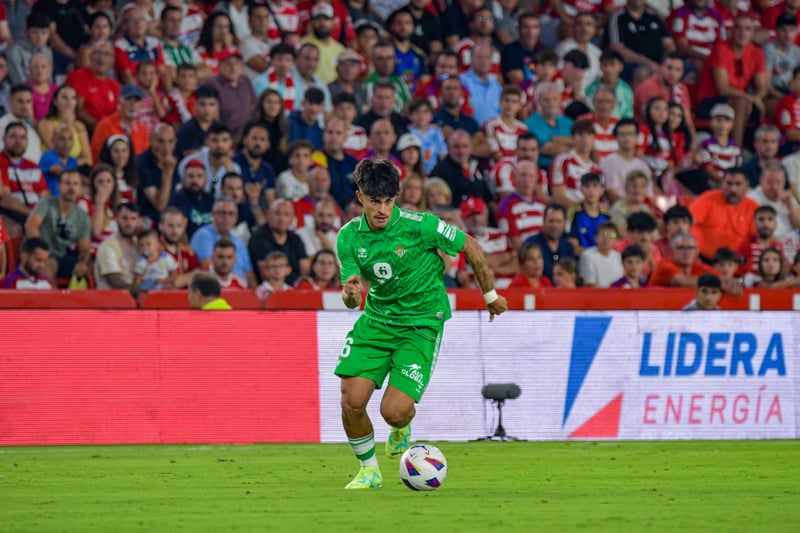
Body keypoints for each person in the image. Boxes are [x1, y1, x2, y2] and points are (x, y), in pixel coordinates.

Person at [335, 158, 508, 489]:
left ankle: (402, 425)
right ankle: (369, 471)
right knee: (351, 402)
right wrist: (350, 294)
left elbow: (470, 247)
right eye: (374, 201)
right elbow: (352, 299)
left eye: (388, 201)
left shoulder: (422, 226)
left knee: (393, 412)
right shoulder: (348, 238)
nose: (382, 209)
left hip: (421, 324)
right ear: (360, 197)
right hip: (377, 322)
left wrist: (490, 296)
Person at [24, 169, 90, 283]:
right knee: (49, 264)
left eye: (75, 184)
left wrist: (82, 262)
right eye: (67, 183)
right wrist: (42, 254)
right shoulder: (46, 203)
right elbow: (31, 226)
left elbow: (84, 248)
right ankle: (53, 294)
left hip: (63, 257)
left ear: (80, 189)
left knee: (91, 266)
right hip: (38, 254)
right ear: (59, 186)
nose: (71, 188)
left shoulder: (83, 217)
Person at [690, 167, 759, 261]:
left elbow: (758, 238)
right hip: (702, 259)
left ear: (746, 186)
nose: (733, 189)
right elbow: (686, 223)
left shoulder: (753, 207)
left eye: (738, 184)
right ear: (722, 183)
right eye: (729, 184)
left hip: (736, 262)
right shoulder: (708, 198)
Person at [190, 196, 255, 288]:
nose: (227, 217)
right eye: (222, 213)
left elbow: (250, 275)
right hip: (214, 289)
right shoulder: (203, 236)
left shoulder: (239, 243)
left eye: (231, 213)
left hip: (241, 291)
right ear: (213, 215)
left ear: (236, 217)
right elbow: (209, 268)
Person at [249, 198, 309, 284]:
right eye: (277, 213)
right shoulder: (259, 238)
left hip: (296, 287)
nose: (282, 218)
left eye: (286, 214)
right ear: (268, 215)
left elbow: (305, 269)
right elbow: (265, 272)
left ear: (292, 218)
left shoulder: (296, 239)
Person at [461, 195, 517, 287]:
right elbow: (482, 261)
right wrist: (507, 256)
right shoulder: (462, 238)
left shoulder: (500, 235)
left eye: (478, 213)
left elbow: (517, 265)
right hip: (480, 290)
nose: (476, 219)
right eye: (470, 215)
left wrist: (495, 270)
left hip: (511, 287)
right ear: (463, 218)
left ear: (486, 213)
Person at [429, 129, 493, 208]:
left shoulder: (477, 165)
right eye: (456, 147)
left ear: (471, 148)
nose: (461, 151)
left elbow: (487, 194)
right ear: (448, 148)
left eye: (465, 146)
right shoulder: (440, 171)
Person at [65, 41, 120, 130]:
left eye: (107, 54)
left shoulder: (115, 87)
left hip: (107, 130)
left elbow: (118, 115)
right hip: (83, 129)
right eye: (98, 53)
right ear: (90, 56)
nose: (102, 58)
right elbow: (78, 109)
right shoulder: (78, 76)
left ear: (112, 60)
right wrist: (100, 127)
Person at [90, 84, 149, 164]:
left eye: (136, 100)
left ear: (141, 105)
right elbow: (96, 158)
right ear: (120, 102)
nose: (132, 104)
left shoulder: (142, 129)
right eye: (128, 99)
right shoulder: (105, 126)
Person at [496, 159, 548, 249]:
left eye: (531, 176)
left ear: (536, 179)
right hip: (525, 253)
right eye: (523, 175)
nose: (527, 180)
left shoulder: (543, 204)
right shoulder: (506, 205)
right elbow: (513, 241)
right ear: (514, 178)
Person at [205, 47, 257, 135]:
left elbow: (254, 105)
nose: (233, 67)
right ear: (219, 66)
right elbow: (211, 116)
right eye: (228, 63)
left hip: (248, 134)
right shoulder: (212, 84)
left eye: (236, 63)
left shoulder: (245, 80)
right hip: (225, 135)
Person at [746, 160, 800, 242]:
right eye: (770, 182)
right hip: (769, 245)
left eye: (778, 182)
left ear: (784, 181)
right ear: (761, 181)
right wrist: (780, 246)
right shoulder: (751, 199)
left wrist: (791, 206)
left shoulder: (788, 197)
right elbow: (756, 232)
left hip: (794, 244)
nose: (774, 187)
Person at [94, 202, 140, 291]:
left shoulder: (139, 244)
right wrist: (140, 291)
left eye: (133, 218)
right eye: (124, 218)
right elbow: (114, 279)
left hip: (135, 296)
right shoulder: (108, 246)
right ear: (117, 219)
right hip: (112, 297)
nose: (129, 223)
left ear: (138, 221)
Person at [522, 203, 576, 280]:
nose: (555, 226)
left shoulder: (568, 247)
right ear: (544, 221)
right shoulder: (531, 244)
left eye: (559, 221)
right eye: (551, 221)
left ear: (564, 223)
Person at [651, 232, 719, 287]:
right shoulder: (664, 265)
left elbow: (721, 279)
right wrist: (715, 282)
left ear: (697, 251)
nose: (687, 252)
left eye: (690, 248)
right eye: (681, 248)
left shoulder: (699, 267)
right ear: (673, 250)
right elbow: (682, 282)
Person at [567, 171, 610, 254]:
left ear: (602, 190)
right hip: (581, 256)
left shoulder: (606, 215)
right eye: (587, 186)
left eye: (595, 186)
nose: (591, 190)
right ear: (581, 189)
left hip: (602, 256)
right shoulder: (574, 212)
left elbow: (613, 235)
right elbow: (571, 240)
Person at [735, 205, 784, 276]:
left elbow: (782, 272)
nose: (765, 224)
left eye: (770, 219)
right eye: (761, 219)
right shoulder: (745, 245)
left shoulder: (778, 247)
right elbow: (738, 270)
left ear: (775, 223)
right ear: (754, 222)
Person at [0, 84, 43, 163]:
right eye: (20, 101)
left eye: (28, 101)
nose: (25, 106)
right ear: (9, 102)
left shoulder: (32, 132)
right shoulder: (1, 127)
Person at [132, 228, 179, 294]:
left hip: (163, 286)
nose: (145, 247)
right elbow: (137, 279)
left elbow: (175, 275)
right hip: (147, 288)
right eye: (141, 245)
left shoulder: (166, 257)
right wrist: (137, 290)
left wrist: (165, 281)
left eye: (148, 244)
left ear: (158, 244)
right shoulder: (141, 261)